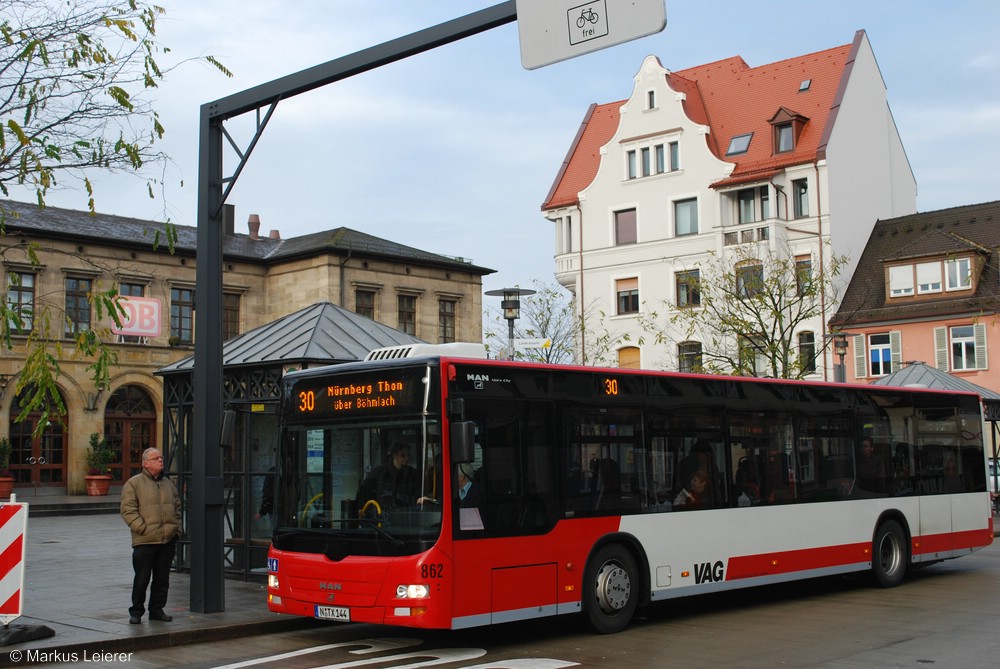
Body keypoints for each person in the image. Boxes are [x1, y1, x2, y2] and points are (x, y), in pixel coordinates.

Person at [120, 447, 181, 625]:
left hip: (167, 539)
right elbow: (127, 510)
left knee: (162, 579)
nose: (161, 460)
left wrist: (177, 529)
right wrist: (142, 528)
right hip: (145, 541)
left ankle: (157, 610)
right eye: (156, 458)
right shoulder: (133, 484)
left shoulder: (168, 484)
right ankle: (136, 612)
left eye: (161, 457)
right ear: (146, 463)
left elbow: (177, 508)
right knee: (142, 578)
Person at [357, 443, 418, 509]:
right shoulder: (379, 473)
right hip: (382, 516)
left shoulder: (412, 474)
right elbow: (364, 492)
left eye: (408, 455)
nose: (407, 458)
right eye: (403, 455)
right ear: (395, 455)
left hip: (405, 514)